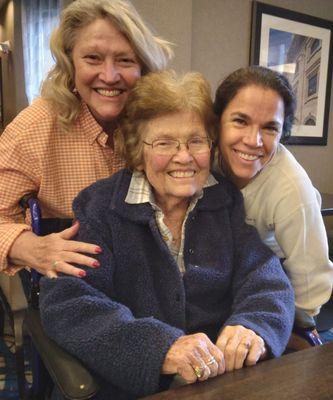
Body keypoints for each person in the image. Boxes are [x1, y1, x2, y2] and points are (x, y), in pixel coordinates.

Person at [40, 70, 294, 399]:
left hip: (219, 382)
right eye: (164, 143)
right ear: (137, 149)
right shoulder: (101, 207)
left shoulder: (222, 199)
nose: (184, 157)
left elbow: (266, 275)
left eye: (196, 141)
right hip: (127, 389)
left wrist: (253, 324)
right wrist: (160, 349)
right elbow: (68, 301)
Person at [0, 0, 173, 279]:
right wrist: (33, 248)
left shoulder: (164, 120)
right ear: (70, 63)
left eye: (125, 60)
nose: (109, 76)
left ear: (144, 66)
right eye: (93, 58)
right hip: (76, 292)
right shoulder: (34, 128)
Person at [214, 65, 333, 346]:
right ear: (217, 120)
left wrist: (278, 326)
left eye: (269, 128)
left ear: (283, 133)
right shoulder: (203, 158)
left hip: (271, 294)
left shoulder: (292, 189)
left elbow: (312, 285)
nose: (253, 141)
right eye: (240, 121)